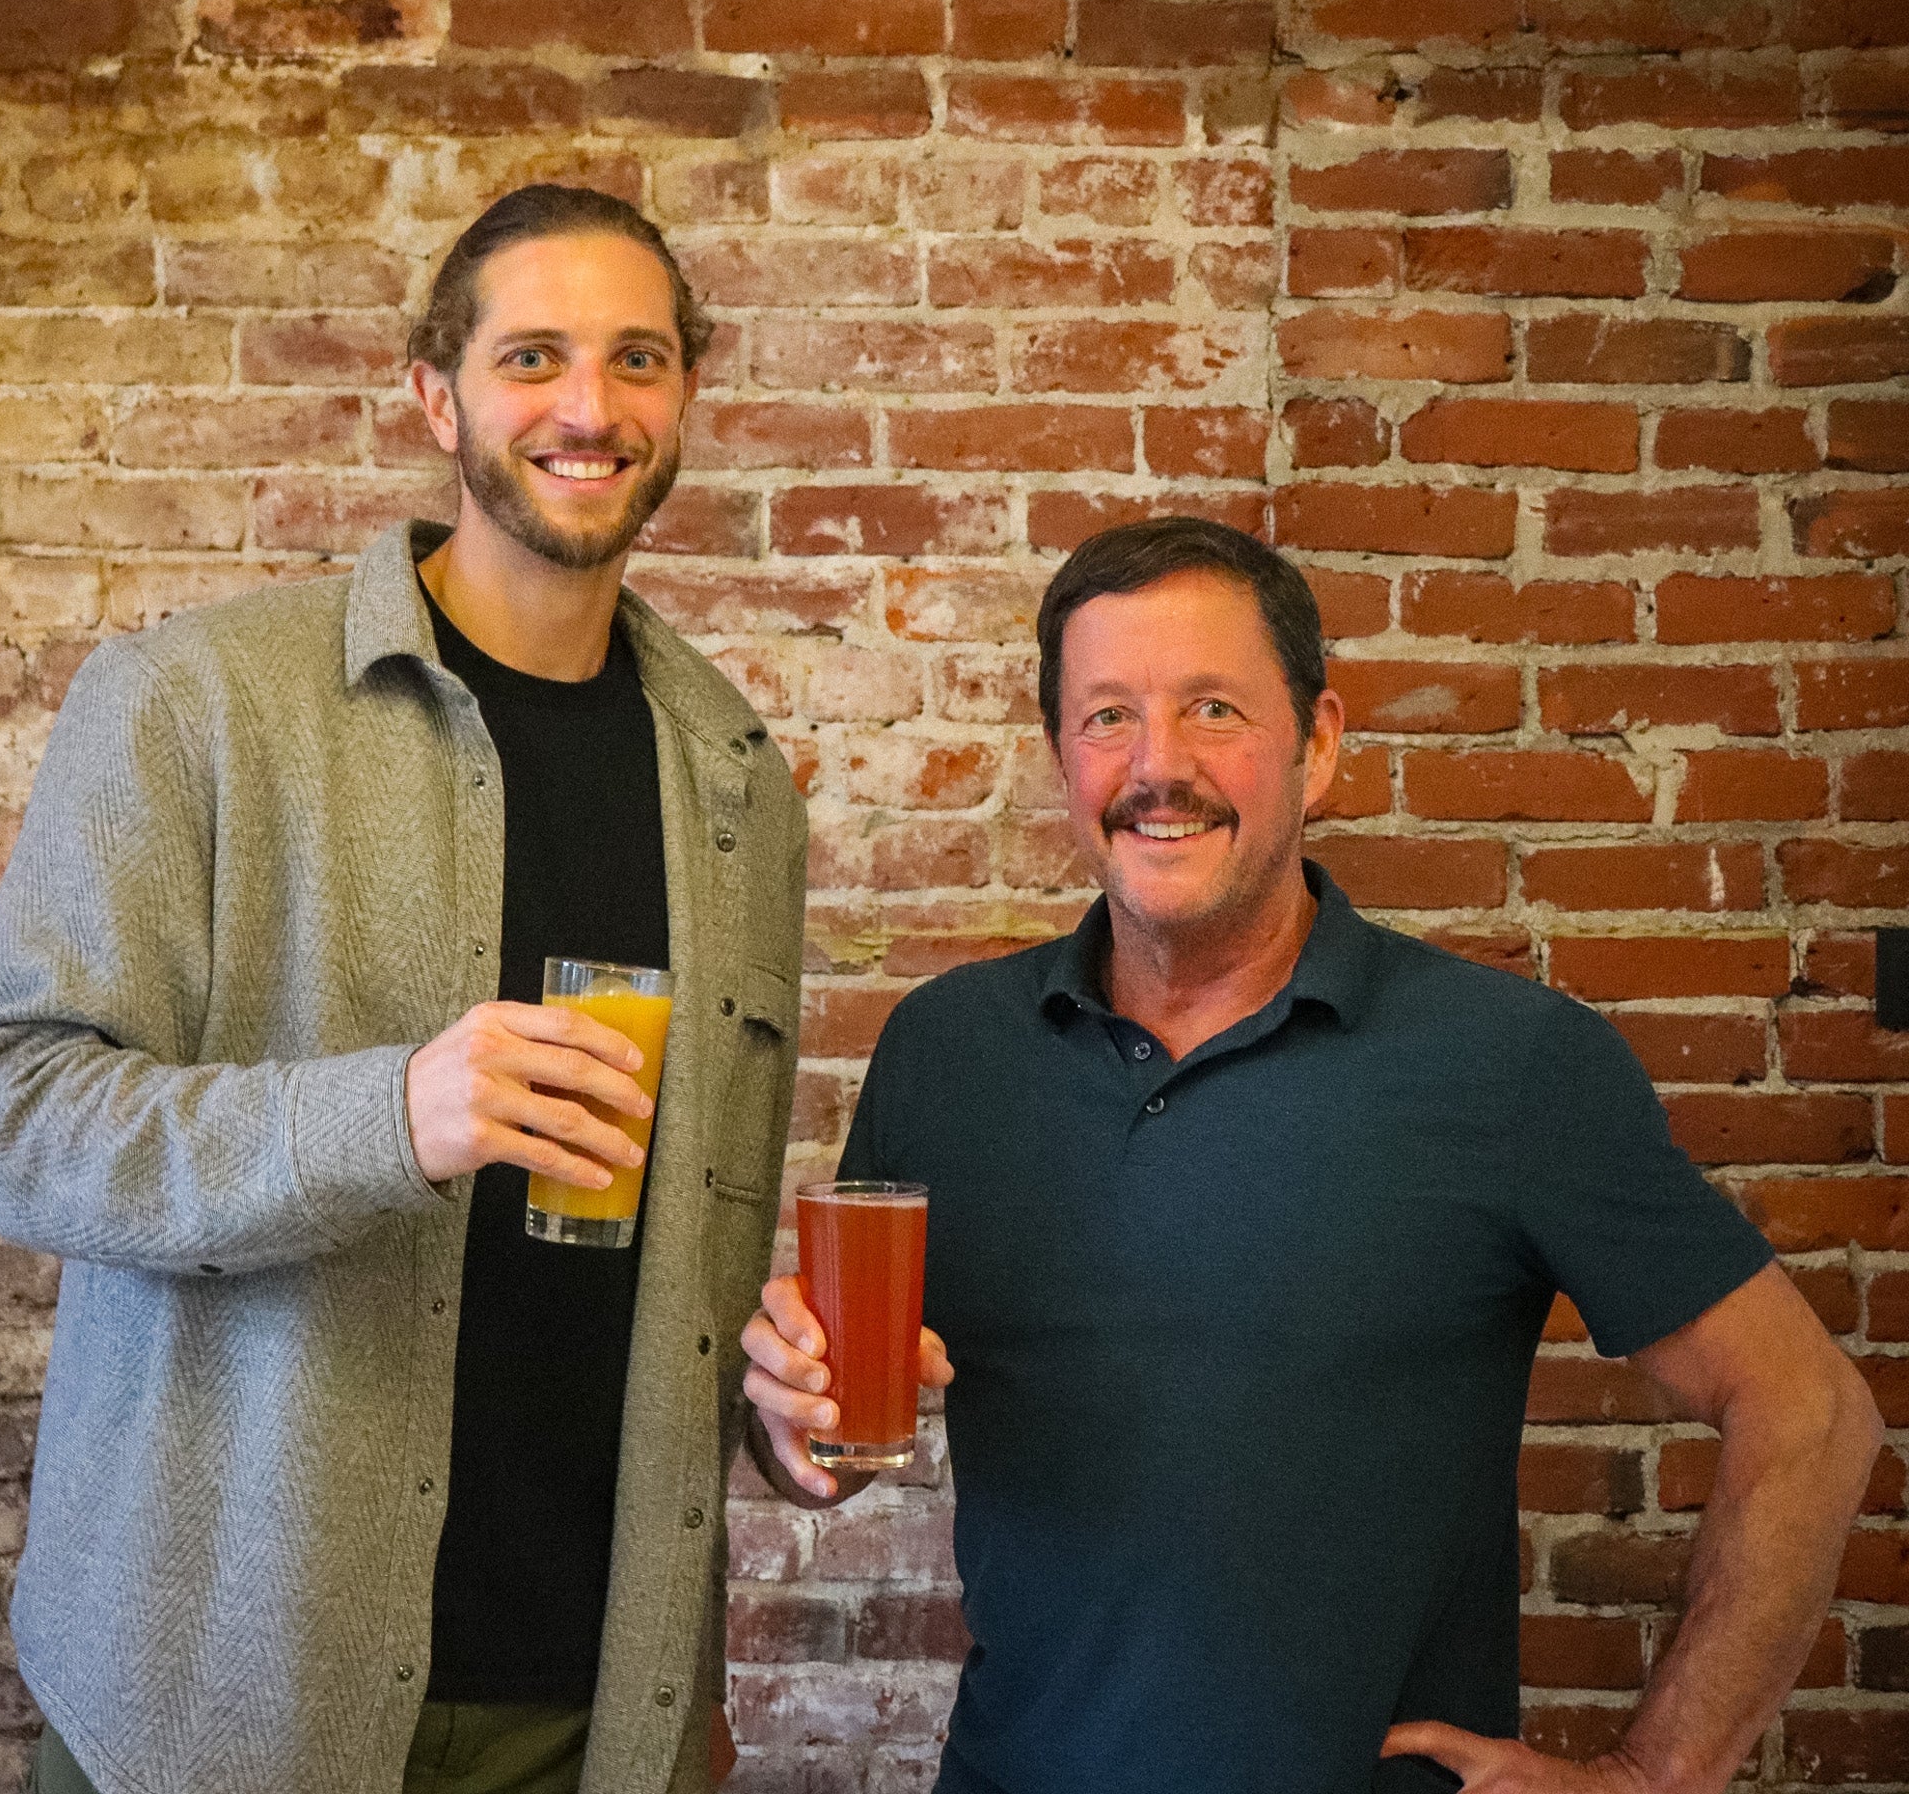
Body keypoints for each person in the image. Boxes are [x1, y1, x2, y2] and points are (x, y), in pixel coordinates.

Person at [742, 516, 1882, 1794]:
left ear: (1319, 743)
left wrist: (1653, 1773)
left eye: (1212, 707)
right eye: (1105, 716)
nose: (1154, 766)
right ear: (1059, 757)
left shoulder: (1508, 1062)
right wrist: (797, 1428)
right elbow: (826, 1441)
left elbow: (1811, 1412)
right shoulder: (945, 1050)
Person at [0, 184, 807, 1794]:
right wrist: (388, 1114)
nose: (589, 409)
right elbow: (7, 1117)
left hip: (599, 1714)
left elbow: (682, 1267)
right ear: (437, 396)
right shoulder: (192, 702)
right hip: (217, 1708)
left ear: (688, 394)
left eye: (639, 359)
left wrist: (776, 1404)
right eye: (533, 354)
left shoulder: (738, 781)